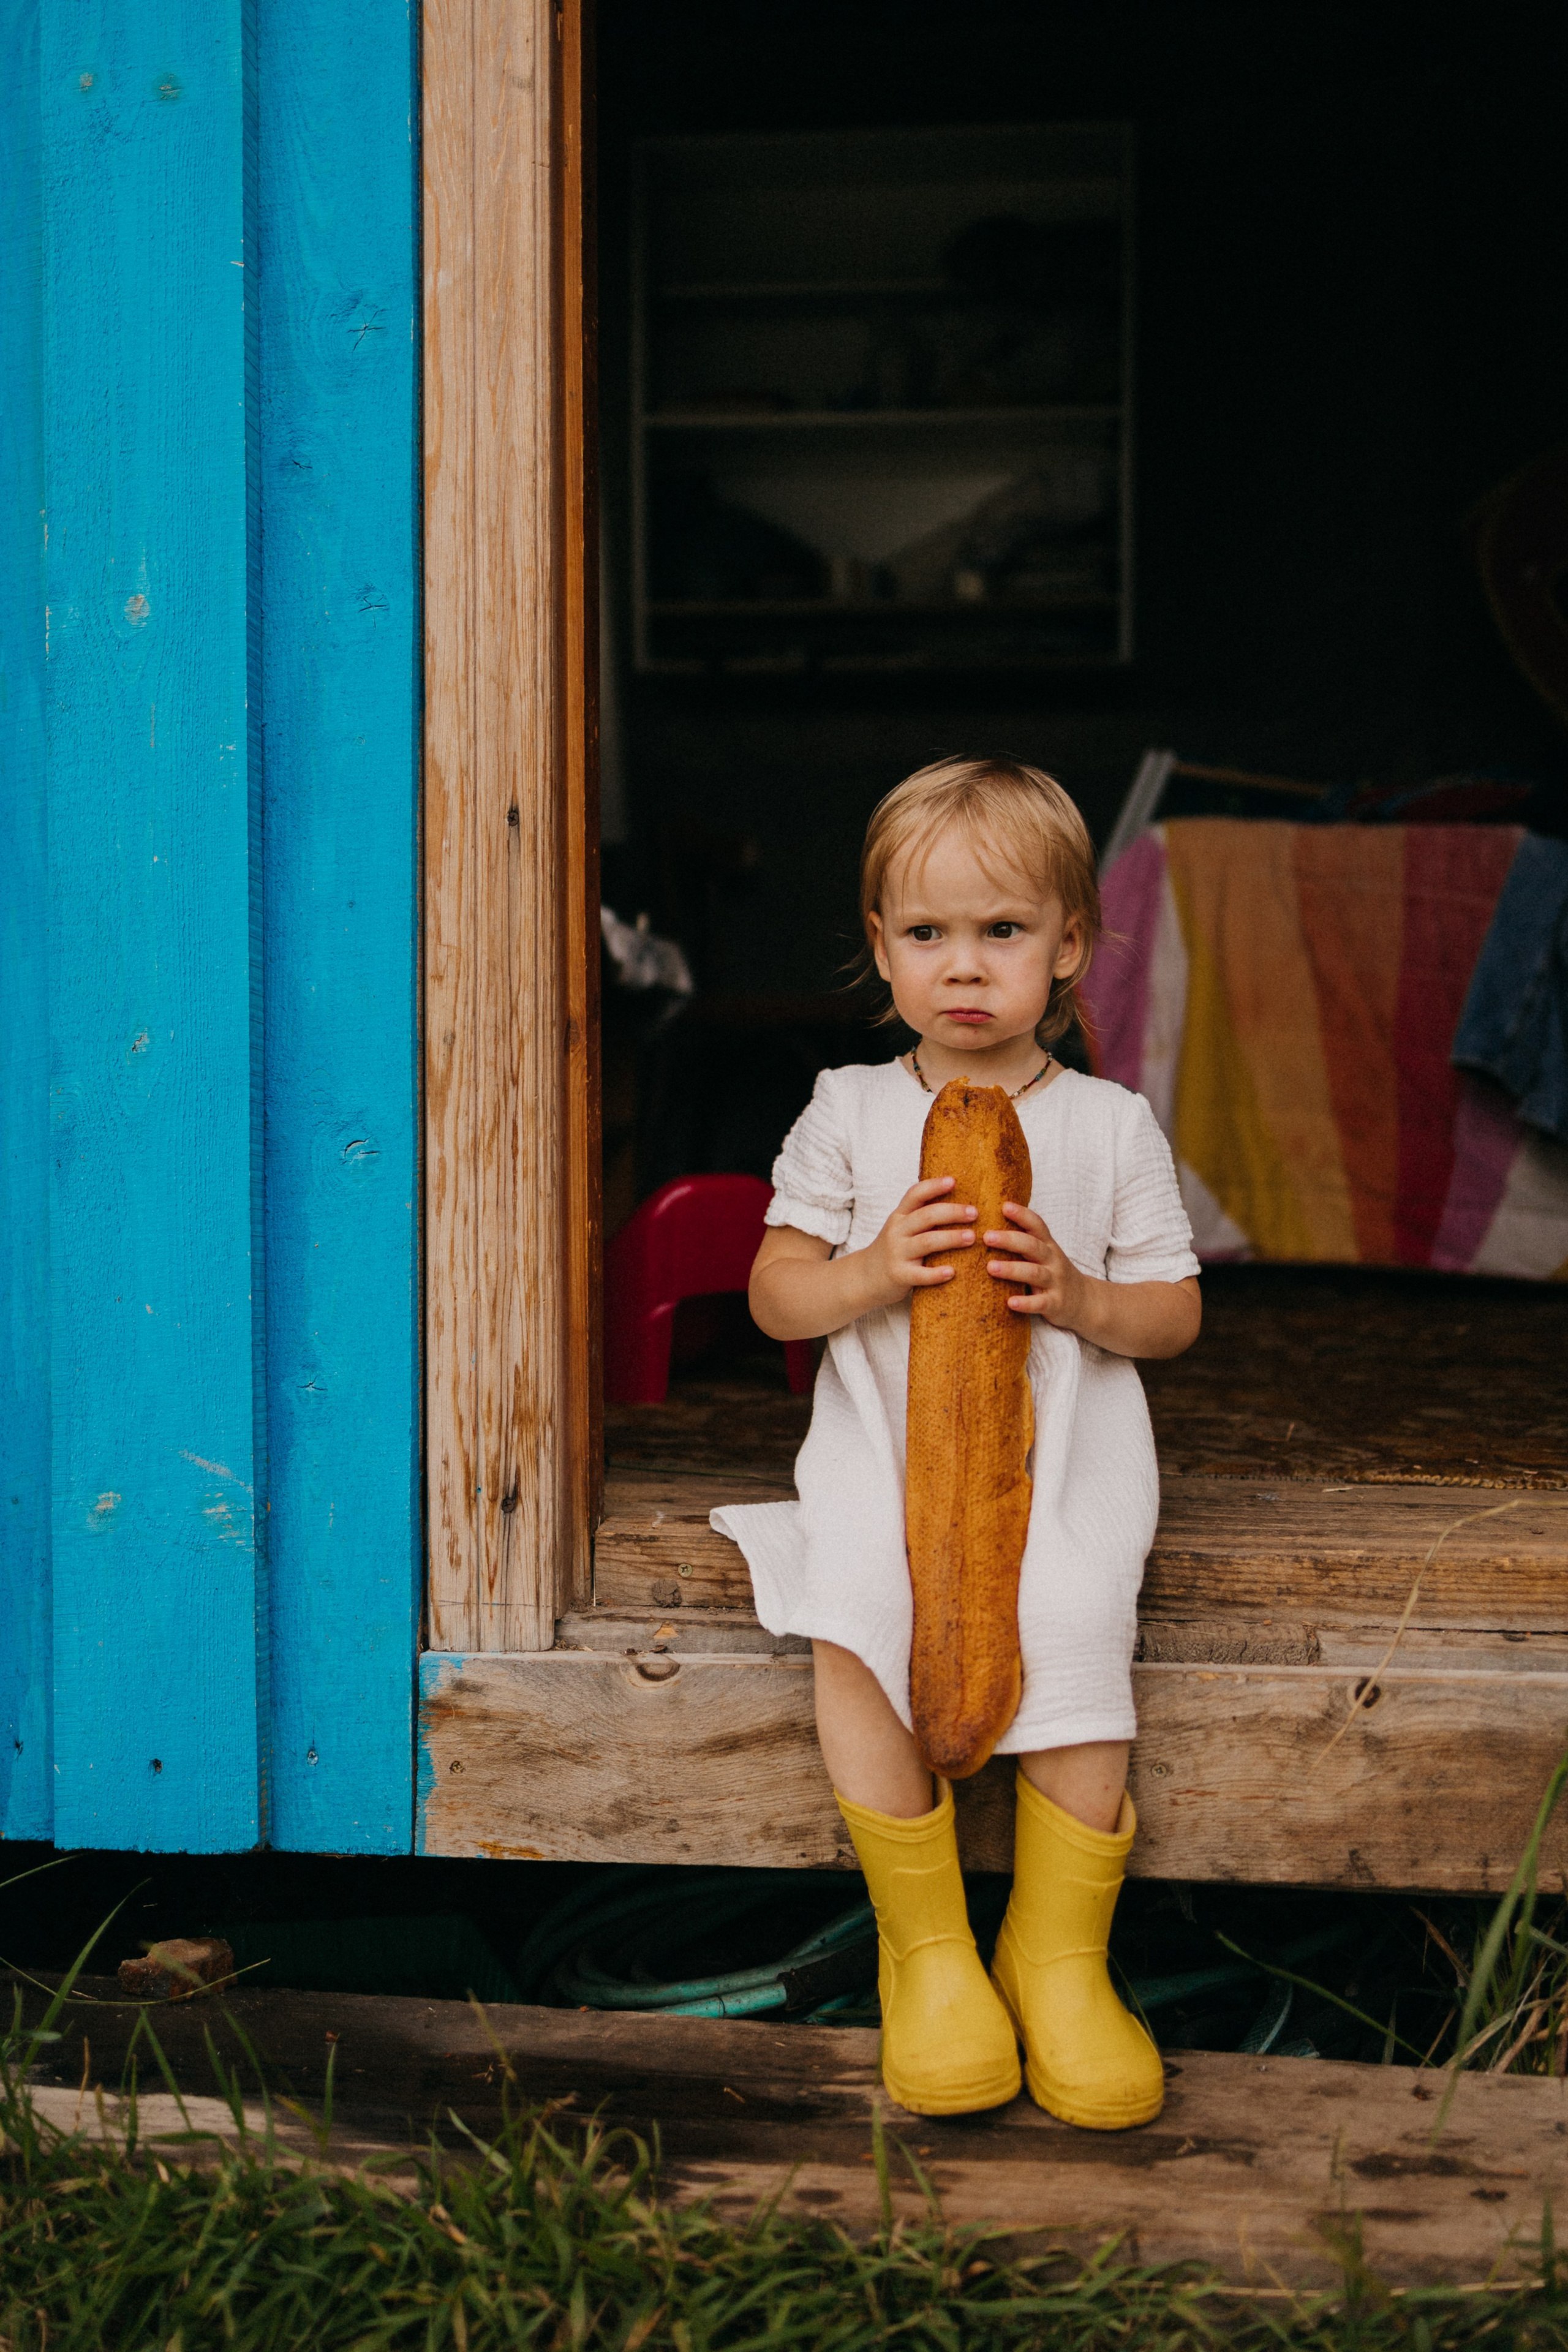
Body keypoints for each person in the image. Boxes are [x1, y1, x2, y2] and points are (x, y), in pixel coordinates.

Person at [713, 757, 1201, 2128]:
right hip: (883, 1455)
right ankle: (925, 1951)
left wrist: (1082, 1297)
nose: (965, 966)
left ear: (1069, 947)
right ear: (881, 948)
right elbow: (773, 1295)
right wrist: (871, 1268)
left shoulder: (1108, 1124)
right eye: (927, 932)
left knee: (1076, 1612)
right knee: (856, 1614)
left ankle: (1055, 1958)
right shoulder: (850, 1106)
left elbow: (1172, 1313)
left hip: (1064, 1460)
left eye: (1003, 931)